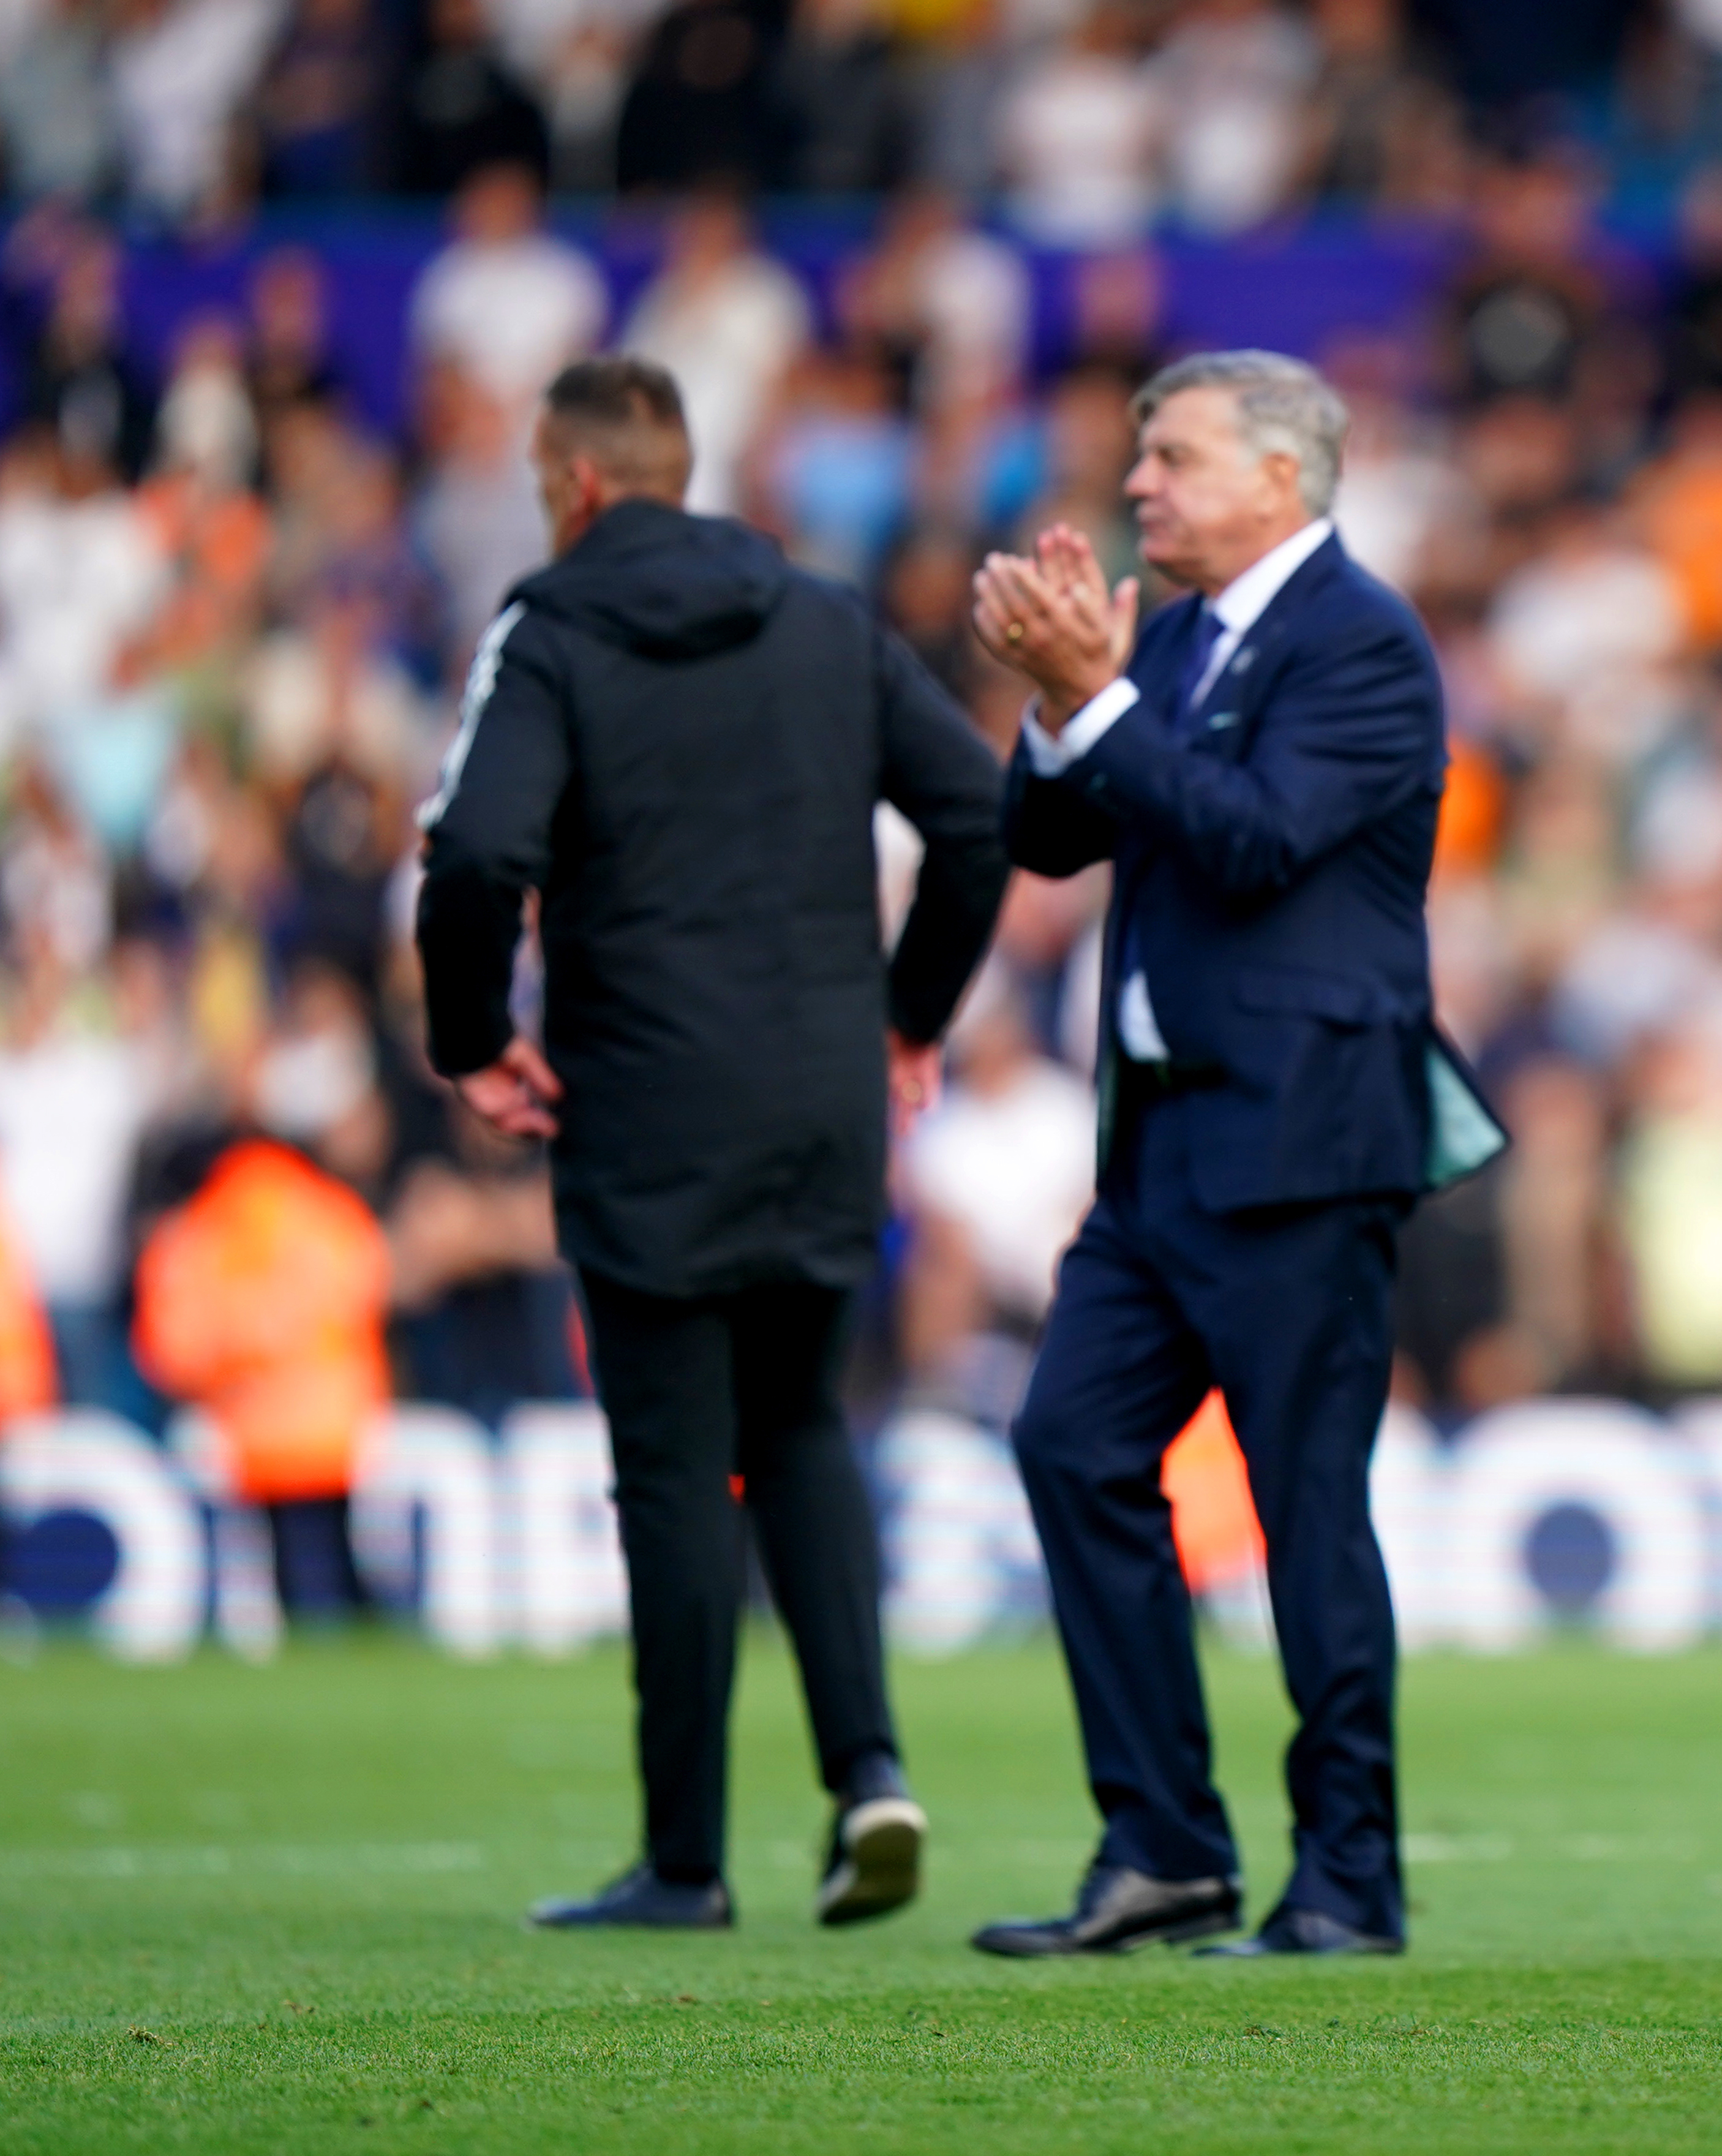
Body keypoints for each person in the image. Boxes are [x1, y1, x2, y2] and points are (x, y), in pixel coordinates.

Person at [413, 356, 1009, 1931]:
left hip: (647, 1096)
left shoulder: (548, 630)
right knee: (805, 1425)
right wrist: (908, 1011)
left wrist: (473, 1037)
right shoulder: (822, 617)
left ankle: (684, 1857)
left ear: (581, 483)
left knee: (676, 1466)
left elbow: (475, 848)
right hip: (820, 1093)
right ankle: (869, 1769)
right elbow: (974, 811)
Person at [963, 349, 1497, 1960]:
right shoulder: (1178, 635)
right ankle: (1165, 1850)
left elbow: (1257, 839)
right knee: (1068, 1446)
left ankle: (1347, 1877)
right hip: (1160, 1152)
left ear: (1282, 475)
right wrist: (1068, 700)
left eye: (1172, 459)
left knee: (1302, 1509)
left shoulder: (1366, 646)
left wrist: (1102, 700)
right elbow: (1049, 834)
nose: (1138, 487)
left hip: (1301, 1143)